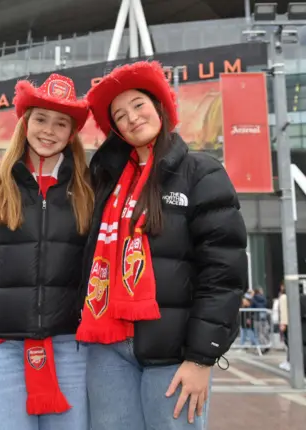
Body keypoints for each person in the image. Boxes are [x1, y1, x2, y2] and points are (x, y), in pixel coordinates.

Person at [78, 61, 247, 430]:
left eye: (138, 105)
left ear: (159, 106)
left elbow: (224, 272)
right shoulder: (105, 182)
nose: (132, 118)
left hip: (173, 353)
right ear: (116, 130)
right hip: (107, 348)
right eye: (120, 116)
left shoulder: (202, 172)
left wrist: (202, 358)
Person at [0, 73, 94, 430]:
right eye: (41, 119)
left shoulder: (91, 191)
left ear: (72, 132)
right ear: (24, 121)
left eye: (61, 123)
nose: (49, 130)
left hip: (71, 348)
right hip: (3, 350)